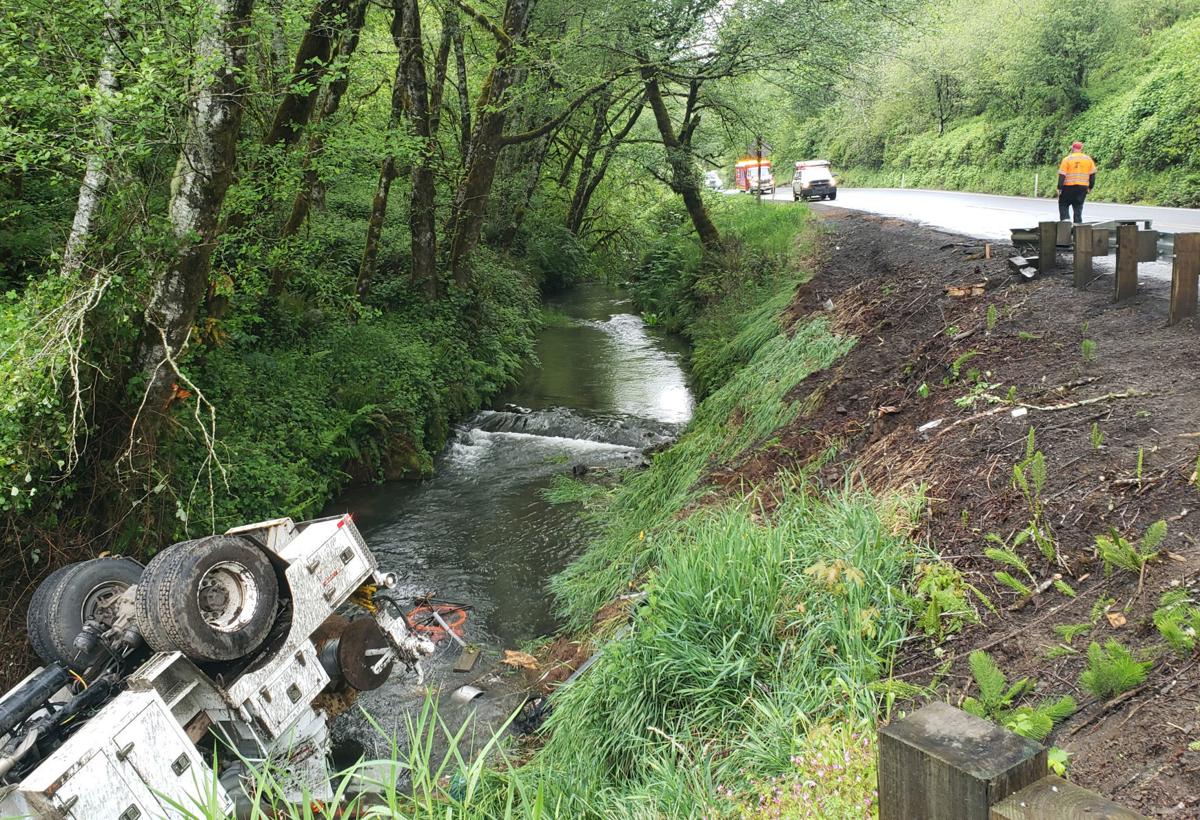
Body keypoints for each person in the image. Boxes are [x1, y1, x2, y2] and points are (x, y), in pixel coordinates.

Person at [1058, 141, 1096, 224]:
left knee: (1063, 204)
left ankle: (1065, 223)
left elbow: (1062, 175)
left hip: (1068, 187)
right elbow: (1092, 175)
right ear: (1081, 149)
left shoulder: (1067, 159)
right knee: (1078, 207)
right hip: (1082, 188)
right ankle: (1078, 226)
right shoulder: (1088, 159)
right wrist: (1090, 187)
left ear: (1072, 148)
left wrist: (1059, 188)